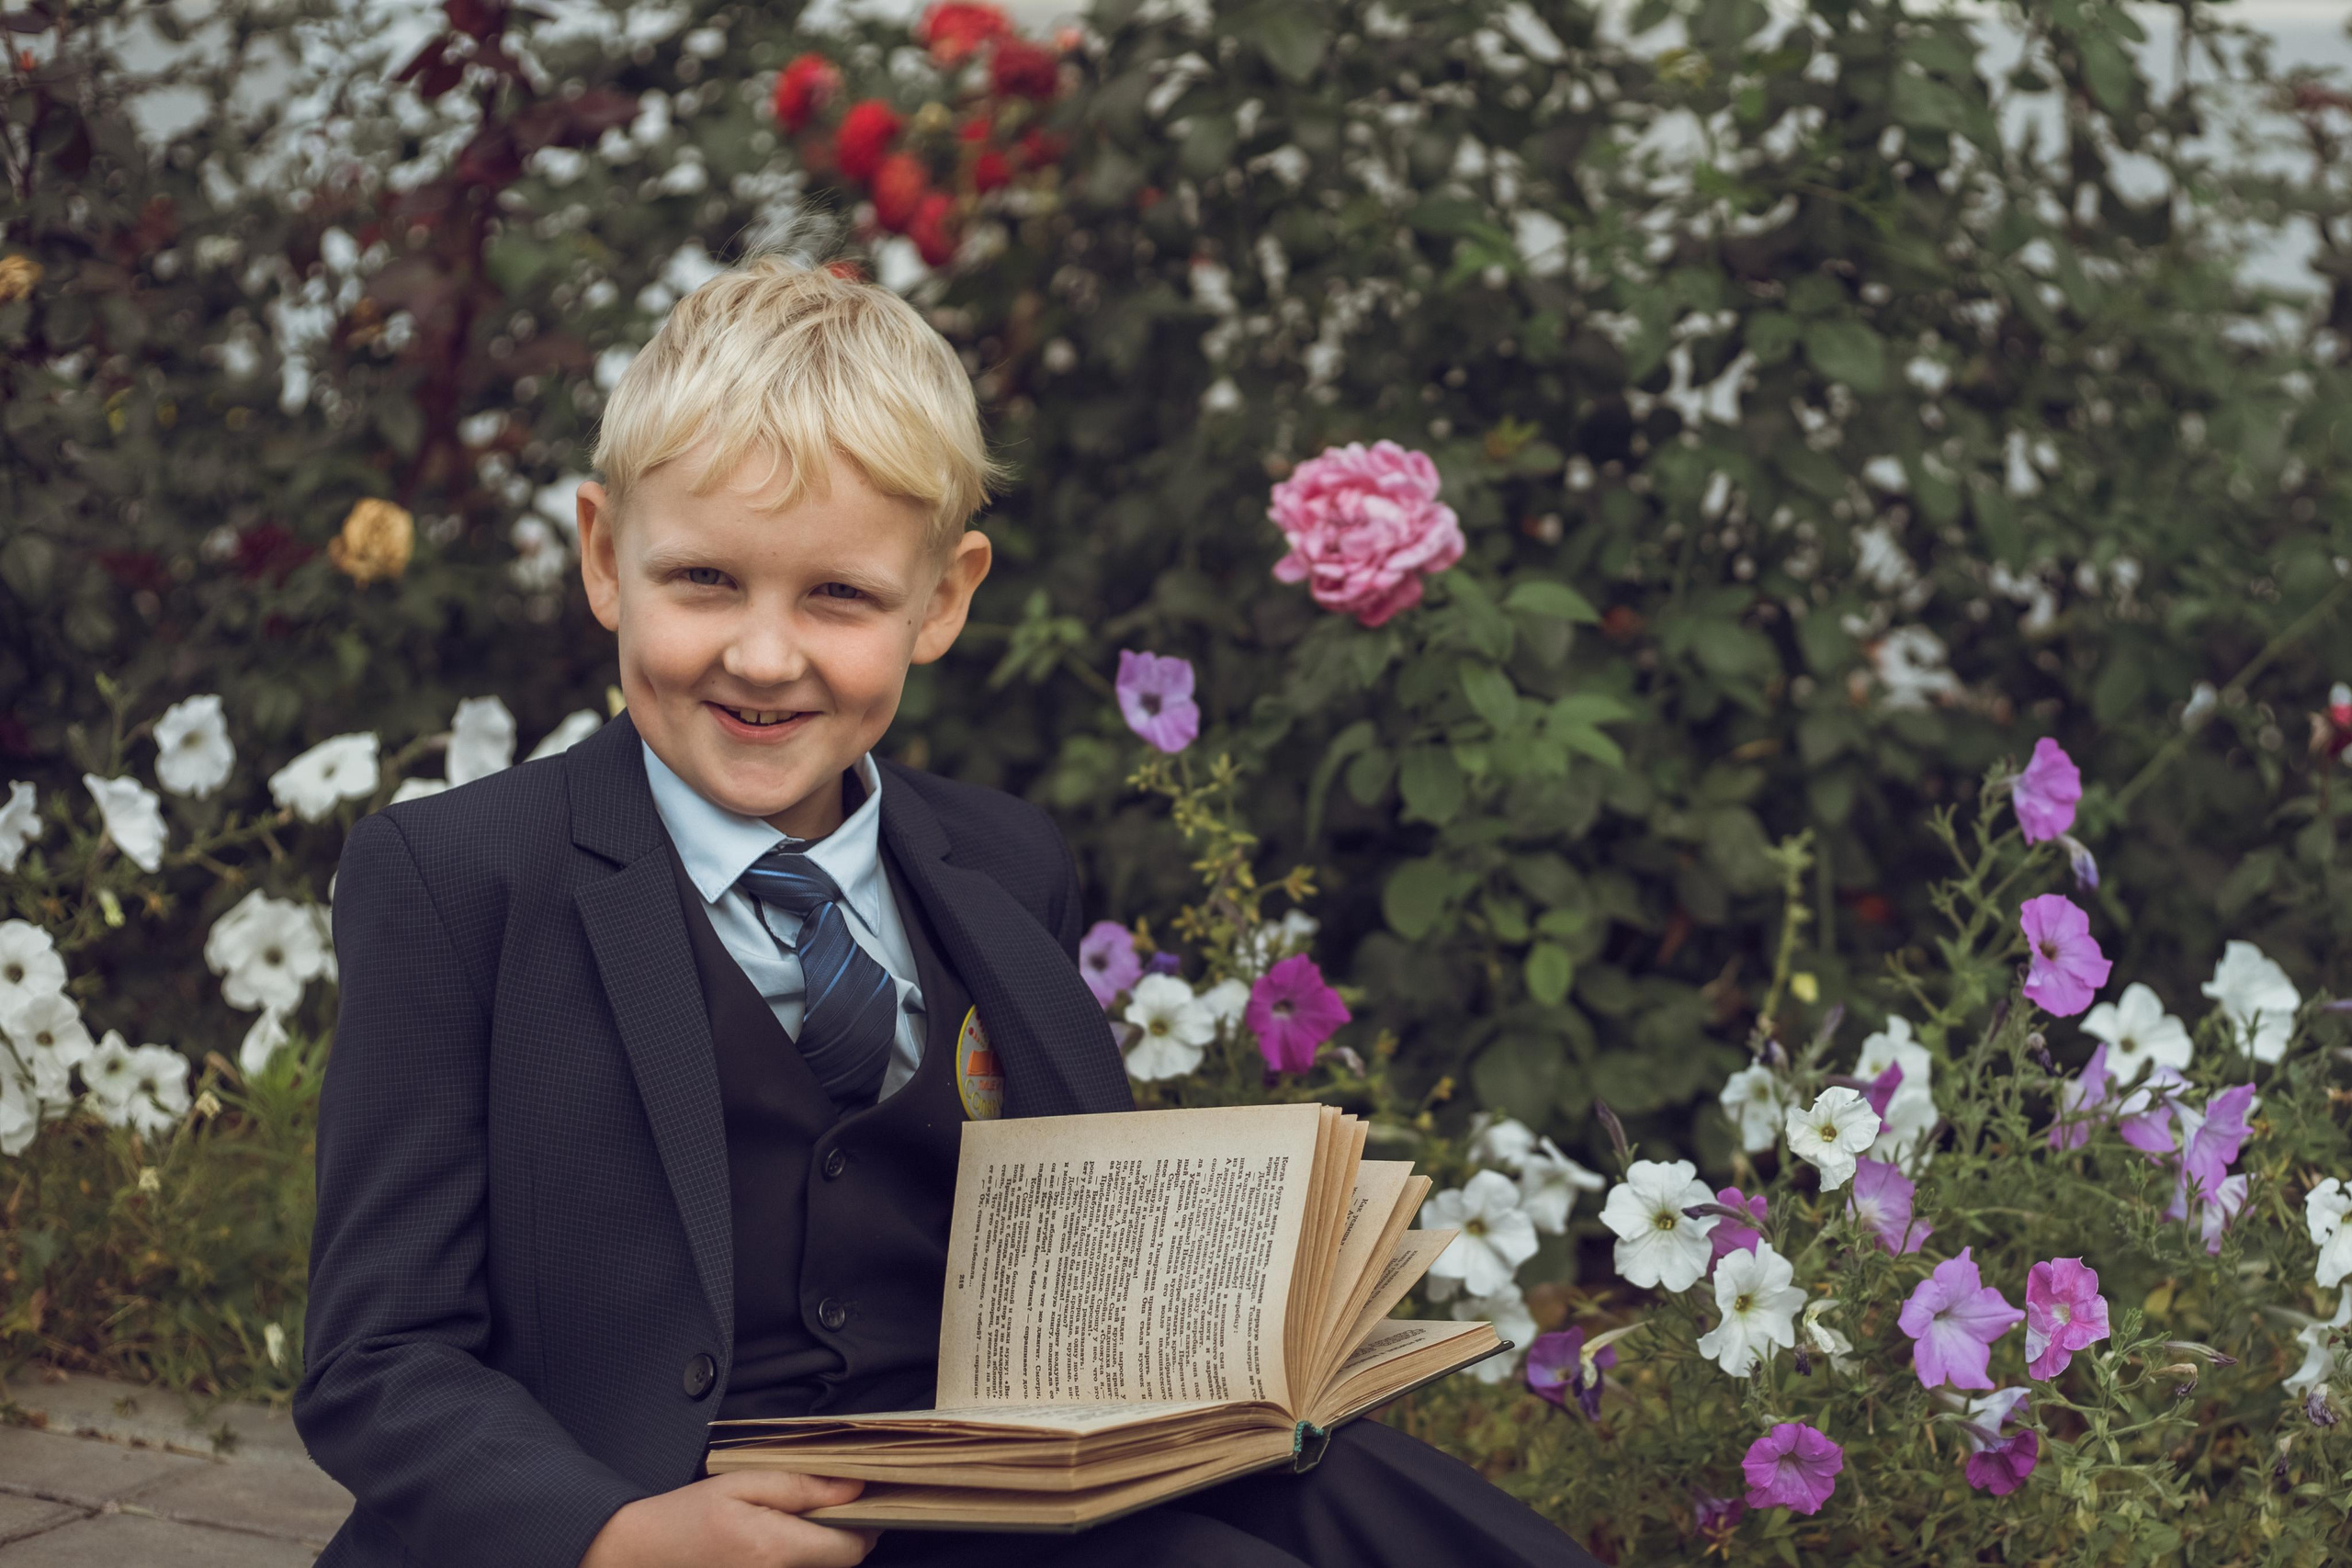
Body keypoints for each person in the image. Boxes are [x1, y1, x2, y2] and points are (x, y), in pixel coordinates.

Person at [294, 254, 1599, 1568]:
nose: (762, 655)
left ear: (945, 599)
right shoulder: (460, 878)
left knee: (1389, 1509)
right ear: (603, 558)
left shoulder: (1002, 863)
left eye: (838, 595)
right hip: (648, 1520)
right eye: (703, 581)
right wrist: (614, 1532)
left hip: (967, 1504)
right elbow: (376, 1355)